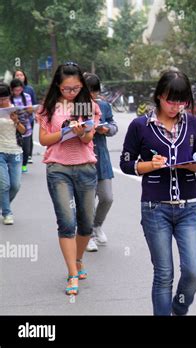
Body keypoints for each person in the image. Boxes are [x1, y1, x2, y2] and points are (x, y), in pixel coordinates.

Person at [120, 69, 196, 316]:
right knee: (164, 273)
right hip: (154, 207)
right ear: (159, 96)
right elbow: (127, 163)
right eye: (171, 100)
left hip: (189, 205)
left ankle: (179, 308)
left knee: (193, 271)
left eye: (182, 101)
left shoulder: (194, 124)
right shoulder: (140, 126)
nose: (176, 106)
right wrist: (149, 165)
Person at [38, 62, 101, 296]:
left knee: (86, 223)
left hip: (85, 166)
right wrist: (64, 132)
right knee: (66, 221)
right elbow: (44, 139)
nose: (71, 92)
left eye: (76, 88)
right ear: (58, 85)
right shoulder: (49, 106)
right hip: (58, 168)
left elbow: (87, 140)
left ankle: (78, 258)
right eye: (67, 89)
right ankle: (72, 273)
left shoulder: (89, 106)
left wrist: (81, 131)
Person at [83, 73, 118, 252]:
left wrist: (107, 129)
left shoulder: (103, 105)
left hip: (101, 157)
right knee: (86, 201)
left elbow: (113, 125)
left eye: (95, 93)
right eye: (89, 92)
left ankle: (97, 225)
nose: (93, 97)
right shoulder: (75, 106)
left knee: (107, 197)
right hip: (82, 158)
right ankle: (86, 234)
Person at [0, 83, 26, 225]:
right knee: (4, 185)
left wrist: (16, 121)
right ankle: (7, 213)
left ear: (9, 97)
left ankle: (3, 205)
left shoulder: (16, 110)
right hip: (0, 152)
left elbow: (24, 131)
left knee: (15, 185)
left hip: (15, 151)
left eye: (4, 99)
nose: (2, 102)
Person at [10, 78, 33, 173]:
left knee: (26, 148)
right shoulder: (8, 99)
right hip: (13, 127)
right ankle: (15, 165)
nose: (18, 92)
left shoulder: (27, 96)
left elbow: (30, 110)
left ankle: (24, 164)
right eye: (16, 90)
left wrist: (30, 110)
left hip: (26, 126)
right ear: (11, 89)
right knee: (16, 148)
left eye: (20, 90)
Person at [14, 70, 37, 164]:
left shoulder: (29, 89)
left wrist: (35, 113)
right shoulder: (10, 91)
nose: (19, 76)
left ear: (24, 77)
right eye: (17, 75)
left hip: (28, 118)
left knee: (28, 136)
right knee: (17, 137)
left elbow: (34, 103)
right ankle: (17, 156)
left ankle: (29, 155)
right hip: (16, 119)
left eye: (21, 75)